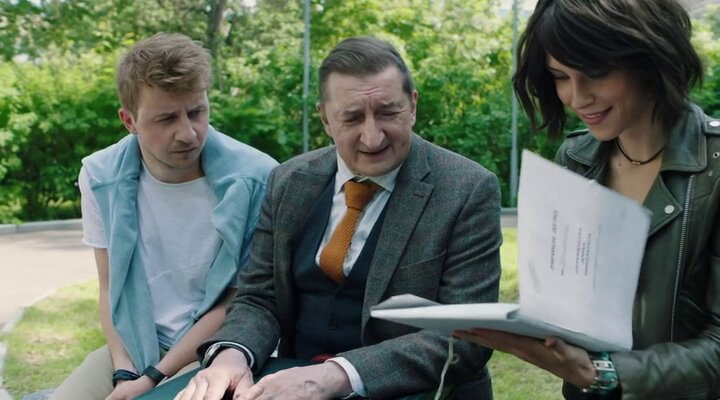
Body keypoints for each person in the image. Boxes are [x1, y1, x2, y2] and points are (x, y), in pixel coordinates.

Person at [170, 36, 502, 400]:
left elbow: (466, 335)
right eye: (352, 117)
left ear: (412, 106)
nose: (372, 137)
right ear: (325, 119)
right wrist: (232, 356)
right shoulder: (287, 181)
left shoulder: (467, 189)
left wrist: (337, 375)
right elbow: (259, 298)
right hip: (288, 386)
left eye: (388, 112)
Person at [455, 0, 720, 399]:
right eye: (560, 77)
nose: (576, 98)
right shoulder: (575, 159)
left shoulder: (714, 167)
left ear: (651, 59)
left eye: (595, 74)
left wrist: (605, 373)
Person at [50, 33, 277, 400]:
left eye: (197, 112)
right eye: (167, 118)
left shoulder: (258, 178)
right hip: (133, 345)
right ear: (129, 120)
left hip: (215, 349)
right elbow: (109, 288)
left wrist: (152, 378)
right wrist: (124, 371)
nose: (187, 133)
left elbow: (238, 302)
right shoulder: (100, 176)